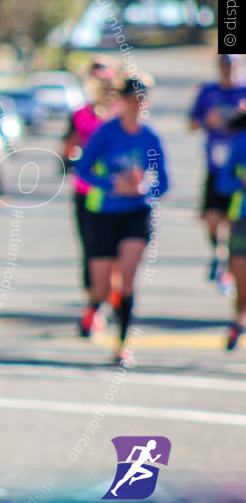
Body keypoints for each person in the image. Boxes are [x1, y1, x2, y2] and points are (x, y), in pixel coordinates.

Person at [76, 76, 169, 365]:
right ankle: (94, 305)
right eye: (131, 99)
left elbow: (163, 182)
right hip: (104, 213)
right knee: (102, 287)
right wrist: (112, 184)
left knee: (127, 279)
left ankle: (122, 345)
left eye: (142, 99)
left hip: (136, 213)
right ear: (122, 101)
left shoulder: (150, 138)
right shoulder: (107, 133)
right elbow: (82, 169)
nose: (137, 105)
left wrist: (143, 189)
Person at [64, 57, 121, 337]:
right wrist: (75, 153)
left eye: (105, 79)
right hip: (86, 195)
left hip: (121, 198)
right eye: (95, 79)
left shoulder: (121, 115)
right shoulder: (80, 114)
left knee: (120, 256)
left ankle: (111, 304)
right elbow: (68, 148)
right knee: (92, 254)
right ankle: (95, 307)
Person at [188, 54, 246, 287]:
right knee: (212, 218)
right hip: (215, 167)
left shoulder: (244, 91)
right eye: (223, 65)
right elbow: (191, 124)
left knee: (235, 221)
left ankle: (232, 268)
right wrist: (206, 121)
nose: (227, 70)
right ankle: (218, 252)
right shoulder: (207, 92)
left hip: (240, 171)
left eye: (231, 65)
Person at [214, 110, 246, 351]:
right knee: (242, 282)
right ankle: (238, 320)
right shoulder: (240, 142)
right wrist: (241, 183)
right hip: (242, 219)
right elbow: (222, 183)